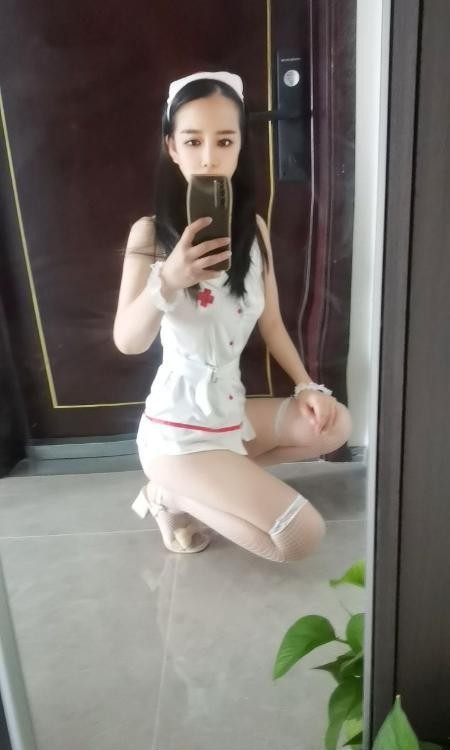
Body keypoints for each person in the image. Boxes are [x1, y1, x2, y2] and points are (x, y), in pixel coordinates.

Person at [113, 71, 352, 562]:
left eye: (224, 141)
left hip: (229, 412)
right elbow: (128, 342)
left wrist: (307, 386)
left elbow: (272, 325)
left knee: (334, 425)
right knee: (299, 538)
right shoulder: (150, 235)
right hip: (176, 432)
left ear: (241, 145)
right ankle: (171, 493)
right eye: (192, 141)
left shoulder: (255, 230)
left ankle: (198, 488)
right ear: (171, 147)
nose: (208, 157)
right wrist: (169, 278)